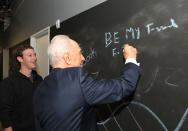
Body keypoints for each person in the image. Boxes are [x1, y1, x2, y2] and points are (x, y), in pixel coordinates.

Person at [33, 35, 141, 131]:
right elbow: (124, 86)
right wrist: (130, 59)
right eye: (80, 53)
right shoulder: (78, 80)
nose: (83, 58)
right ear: (67, 58)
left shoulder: (40, 88)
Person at [0, 45, 43, 131]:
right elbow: (4, 111)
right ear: (20, 59)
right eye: (30, 55)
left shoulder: (39, 79)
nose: (34, 58)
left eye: (34, 55)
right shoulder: (9, 83)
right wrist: (8, 128)